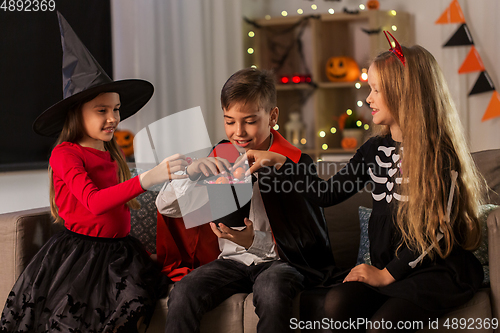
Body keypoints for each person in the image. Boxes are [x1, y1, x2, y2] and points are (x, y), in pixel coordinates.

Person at [242, 34, 485, 332]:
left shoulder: (440, 155)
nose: (367, 98)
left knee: (382, 324)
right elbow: (324, 194)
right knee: (336, 304)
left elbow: (435, 232)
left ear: (402, 93)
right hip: (387, 269)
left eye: (375, 90)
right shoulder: (374, 150)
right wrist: (282, 162)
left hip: (433, 270)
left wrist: (385, 275)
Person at [0, 13, 187, 332]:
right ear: (77, 113)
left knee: (138, 302)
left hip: (120, 252)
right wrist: (148, 178)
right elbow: (96, 203)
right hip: (82, 255)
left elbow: (119, 210)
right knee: (77, 317)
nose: (113, 118)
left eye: (116, 109)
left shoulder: (111, 150)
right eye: (102, 110)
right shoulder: (65, 154)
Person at [156, 68, 340, 333]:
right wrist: (192, 172)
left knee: (271, 289)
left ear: (272, 116)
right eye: (229, 121)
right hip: (231, 262)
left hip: (280, 264)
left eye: (250, 121)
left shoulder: (294, 164)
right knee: (184, 291)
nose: (238, 132)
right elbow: (167, 207)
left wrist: (253, 242)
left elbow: (305, 243)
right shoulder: (221, 155)